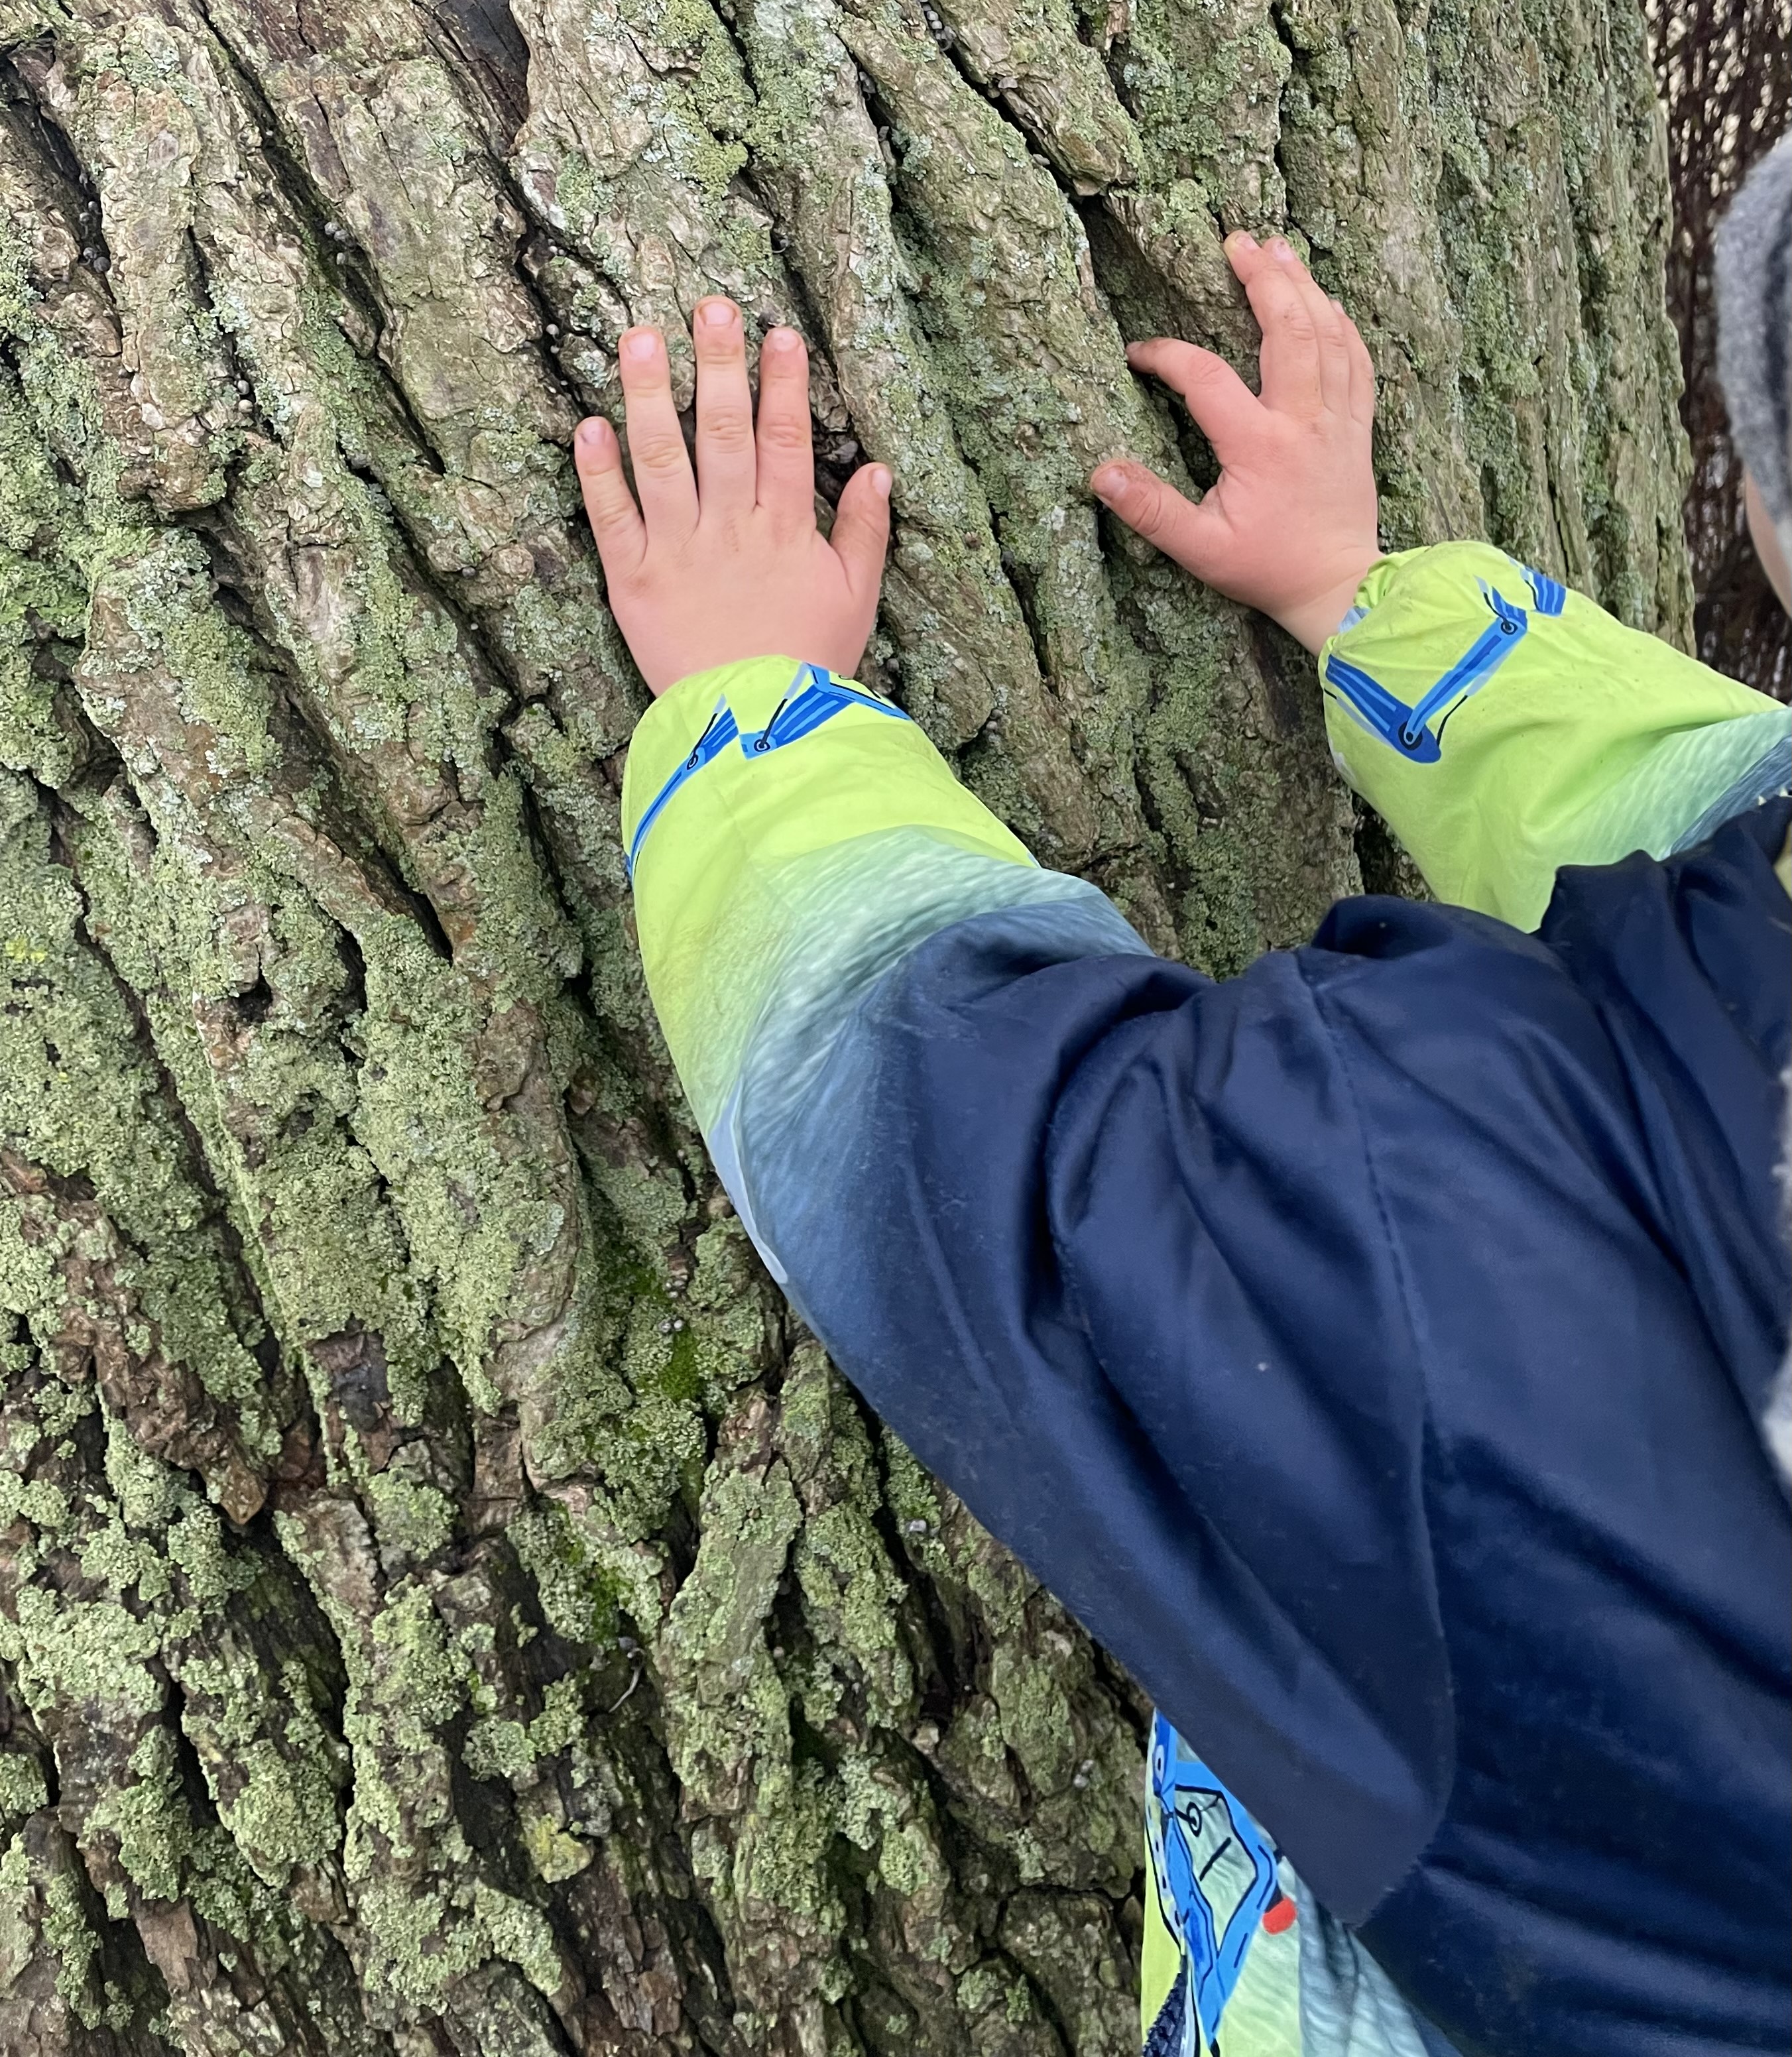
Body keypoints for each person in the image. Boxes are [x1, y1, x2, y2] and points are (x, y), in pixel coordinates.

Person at [571, 139, 1792, 2057]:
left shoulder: (1457, 1251)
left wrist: (754, 720)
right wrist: (1377, 609)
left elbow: (977, 1147)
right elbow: (1726, 835)